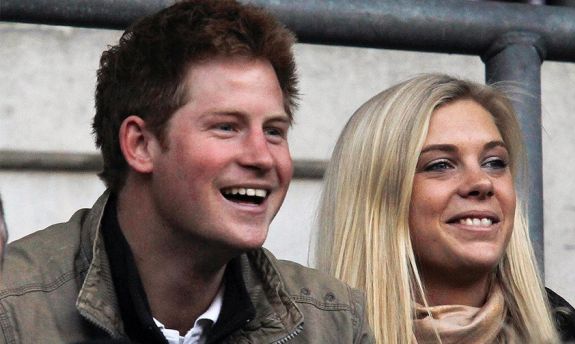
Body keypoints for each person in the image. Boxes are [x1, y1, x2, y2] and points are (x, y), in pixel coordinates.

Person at [0, 1, 372, 343]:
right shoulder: (13, 311)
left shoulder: (334, 323)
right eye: (227, 127)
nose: (263, 158)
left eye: (274, 131)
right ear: (140, 145)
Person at [315, 74, 575, 343]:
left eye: (494, 162)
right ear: (377, 196)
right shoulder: (308, 332)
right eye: (440, 165)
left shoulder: (568, 333)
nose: (482, 182)